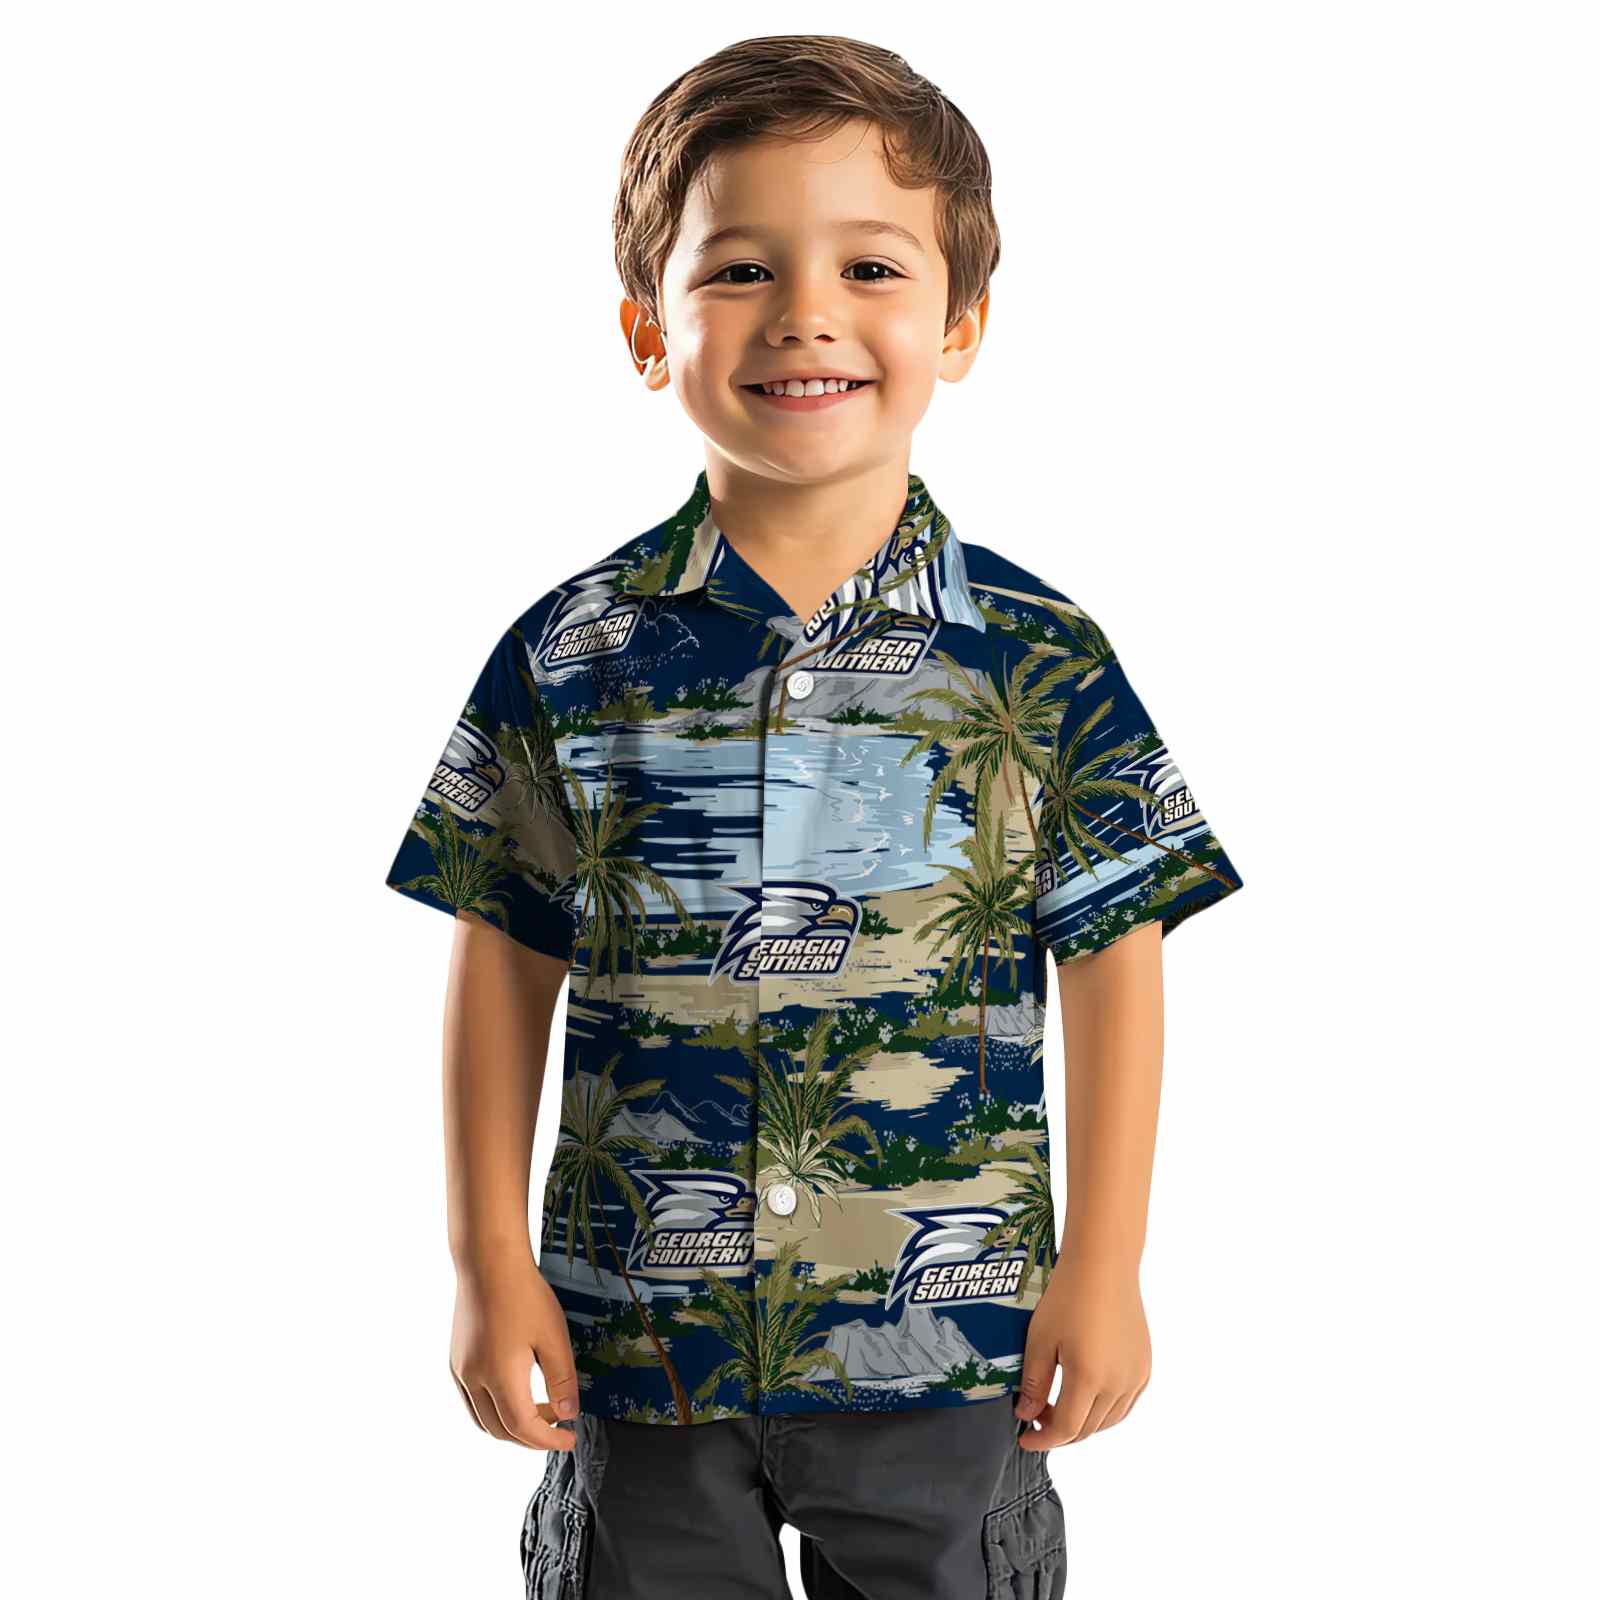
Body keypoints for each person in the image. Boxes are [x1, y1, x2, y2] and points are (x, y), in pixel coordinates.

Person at [384, 33, 1244, 1600]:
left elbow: (1118, 955)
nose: (805, 314)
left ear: (960, 322)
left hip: (950, 1353)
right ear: (647, 330)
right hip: (640, 1346)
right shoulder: (569, 655)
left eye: (870, 266)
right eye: (739, 271)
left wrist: (1107, 1265)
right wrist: (484, 1260)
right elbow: (502, 956)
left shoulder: (1039, 660)